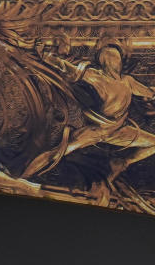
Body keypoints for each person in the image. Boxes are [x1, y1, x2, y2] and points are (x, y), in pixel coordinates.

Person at [22, 40, 155, 183]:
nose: (113, 62)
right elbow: (66, 67)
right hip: (97, 131)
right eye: (109, 58)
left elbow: (150, 93)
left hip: (120, 130)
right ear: (102, 61)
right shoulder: (96, 76)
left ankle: (122, 163)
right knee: (57, 153)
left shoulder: (128, 81)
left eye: (115, 58)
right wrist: (46, 56)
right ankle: (23, 177)